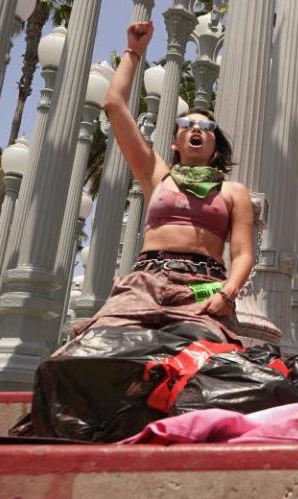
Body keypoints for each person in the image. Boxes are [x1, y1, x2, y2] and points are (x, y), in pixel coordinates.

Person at [74, 21, 255, 344]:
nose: (196, 129)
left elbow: (242, 254)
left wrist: (226, 295)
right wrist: (133, 51)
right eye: (187, 124)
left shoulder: (232, 192)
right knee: (100, 346)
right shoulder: (157, 175)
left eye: (207, 126)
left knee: (204, 357)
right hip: (146, 280)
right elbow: (115, 106)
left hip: (204, 283)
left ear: (215, 144)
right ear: (175, 142)